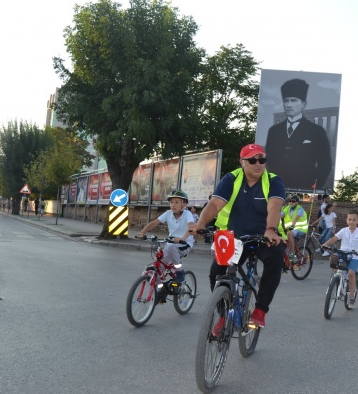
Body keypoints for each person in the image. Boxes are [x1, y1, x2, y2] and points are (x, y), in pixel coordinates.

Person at [194, 144, 286, 328]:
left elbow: (274, 206)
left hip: (265, 236)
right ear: (242, 162)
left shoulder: (274, 181)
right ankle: (223, 314)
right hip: (235, 237)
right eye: (252, 160)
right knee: (217, 273)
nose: (258, 164)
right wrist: (200, 224)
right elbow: (214, 205)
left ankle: (260, 309)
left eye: (262, 159)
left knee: (275, 259)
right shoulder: (231, 179)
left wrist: (270, 229)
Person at [265, 78, 332, 190]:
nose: (289, 105)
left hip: (305, 186)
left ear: (303, 104)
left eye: (294, 100)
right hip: (278, 186)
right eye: (286, 101)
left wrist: (315, 186)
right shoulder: (274, 131)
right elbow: (269, 159)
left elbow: (325, 163)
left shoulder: (317, 131)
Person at [136, 190, 195, 295]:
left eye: (177, 202)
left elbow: (191, 227)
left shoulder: (188, 214)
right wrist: (142, 233)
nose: (173, 205)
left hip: (184, 244)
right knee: (157, 268)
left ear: (184, 204)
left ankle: (180, 273)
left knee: (172, 246)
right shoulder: (168, 214)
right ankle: (160, 289)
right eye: (171, 202)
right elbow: (154, 222)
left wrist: (182, 238)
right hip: (171, 244)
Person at [321, 210, 358, 308]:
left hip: (355, 256)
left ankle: (351, 296)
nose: (351, 222)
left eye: (354, 220)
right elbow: (334, 238)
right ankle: (336, 280)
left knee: (351, 273)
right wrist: (325, 244)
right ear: (347, 220)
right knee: (334, 261)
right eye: (349, 219)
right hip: (343, 253)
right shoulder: (343, 230)